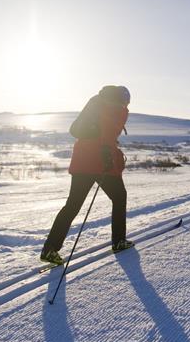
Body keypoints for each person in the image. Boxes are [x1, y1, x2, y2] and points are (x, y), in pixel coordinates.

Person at [41, 85, 133, 264]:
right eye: (126, 103)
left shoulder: (96, 105)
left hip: (82, 160)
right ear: (123, 99)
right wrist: (107, 155)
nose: (126, 106)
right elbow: (107, 134)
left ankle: (49, 249)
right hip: (100, 162)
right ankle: (119, 241)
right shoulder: (115, 109)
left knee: (72, 205)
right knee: (119, 197)